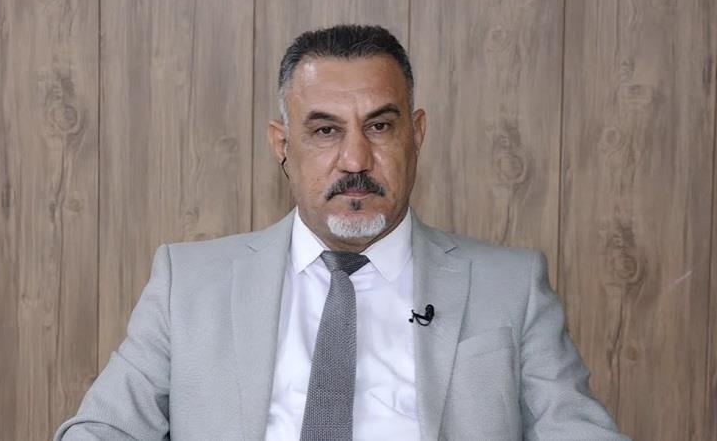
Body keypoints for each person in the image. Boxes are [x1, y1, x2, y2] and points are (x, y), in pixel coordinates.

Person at [55, 25, 628, 440]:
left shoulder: (513, 286)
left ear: (416, 134)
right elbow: (101, 430)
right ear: (283, 145)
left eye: (379, 126)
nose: (355, 159)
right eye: (325, 130)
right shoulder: (188, 283)